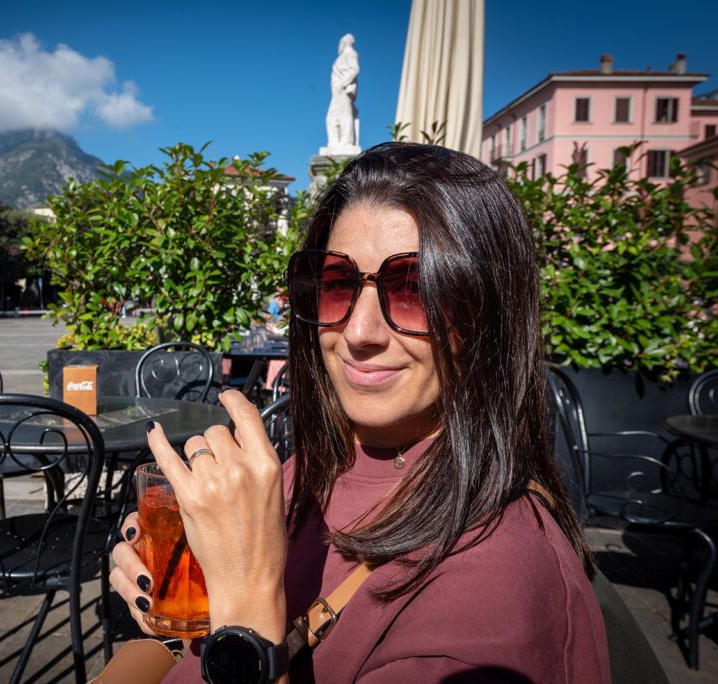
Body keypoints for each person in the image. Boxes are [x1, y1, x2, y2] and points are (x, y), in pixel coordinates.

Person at [110, 143, 610, 682]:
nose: (357, 331)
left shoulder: (494, 591)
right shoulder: (328, 464)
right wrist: (196, 600)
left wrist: (244, 605)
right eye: (336, 284)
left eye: (414, 289)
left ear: (491, 314)